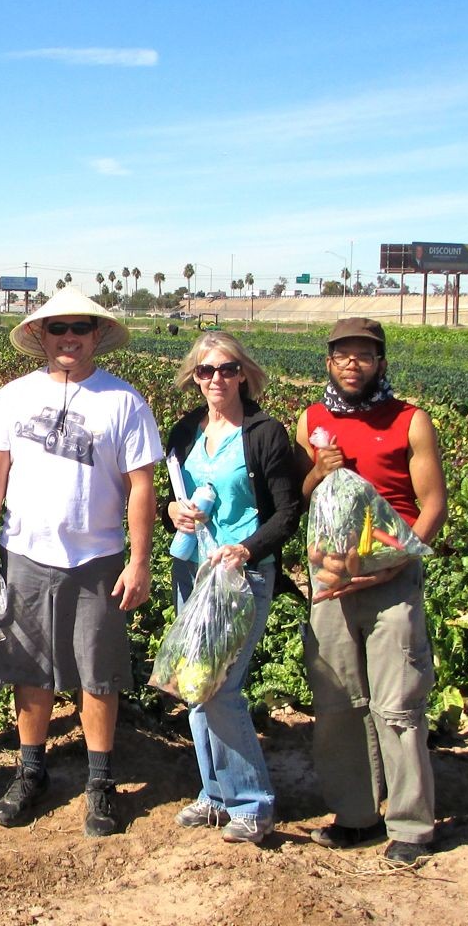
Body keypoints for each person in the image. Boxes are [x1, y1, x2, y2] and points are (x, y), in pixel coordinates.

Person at [0, 286, 161, 836]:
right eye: (58, 328)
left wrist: (140, 560)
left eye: (80, 327)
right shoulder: (11, 397)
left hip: (98, 557)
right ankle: (31, 770)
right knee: (28, 669)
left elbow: (140, 487)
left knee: (98, 675)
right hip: (26, 553)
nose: (69, 337)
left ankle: (100, 783)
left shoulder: (123, 401)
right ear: (38, 335)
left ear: (97, 335)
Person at [294, 317, 447, 867]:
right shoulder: (311, 419)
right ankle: (357, 815)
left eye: (363, 355)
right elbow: (301, 495)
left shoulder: (410, 420)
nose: (352, 363)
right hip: (331, 579)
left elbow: (432, 507)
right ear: (329, 362)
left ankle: (410, 823)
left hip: (392, 577)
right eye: (342, 355)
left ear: (380, 362)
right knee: (337, 702)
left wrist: (397, 560)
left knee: (398, 703)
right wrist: (318, 470)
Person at [163, 331, 299, 845]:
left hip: (240, 576)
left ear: (243, 372)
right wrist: (172, 511)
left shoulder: (264, 433)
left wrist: (246, 550)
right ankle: (216, 795)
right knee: (196, 684)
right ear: (194, 378)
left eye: (225, 369)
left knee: (220, 686)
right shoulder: (184, 432)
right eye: (205, 371)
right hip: (192, 571)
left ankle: (252, 802)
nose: (215, 379)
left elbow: (287, 512)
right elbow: (167, 500)